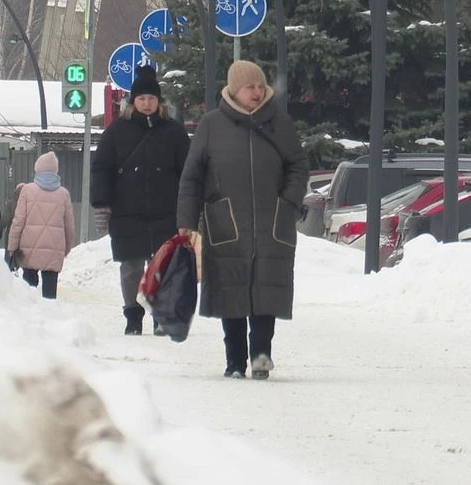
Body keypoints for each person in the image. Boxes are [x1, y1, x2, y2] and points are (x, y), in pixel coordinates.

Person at [177, 60, 309, 380]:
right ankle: (234, 359)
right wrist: (186, 221)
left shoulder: (280, 124)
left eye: (261, 86)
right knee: (231, 290)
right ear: (234, 90)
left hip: (271, 220)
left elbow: (298, 166)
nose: (257, 92)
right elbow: (192, 177)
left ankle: (261, 355)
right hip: (226, 221)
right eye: (250, 86)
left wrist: (288, 202)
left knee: (266, 289)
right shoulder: (212, 125)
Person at [90, 65, 191, 335]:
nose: (147, 103)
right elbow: (101, 168)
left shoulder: (174, 132)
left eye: (152, 98)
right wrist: (102, 202)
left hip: (165, 211)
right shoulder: (116, 132)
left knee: (163, 266)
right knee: (131, 267)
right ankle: (133, 315)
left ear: (159, 102)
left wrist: (190, 207)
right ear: (132, 101)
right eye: (142, 98)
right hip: (127, 211)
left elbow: (188, 172)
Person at [7, 152, 75, 300]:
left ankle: (30, 313)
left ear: (37, 169)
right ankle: (50, 313)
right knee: (50, 297)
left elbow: (18, 221)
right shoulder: (64, 194)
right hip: (54, 250)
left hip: (28, 250)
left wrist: (12, 246)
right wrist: (66, 248)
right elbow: (69, 226)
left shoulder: (27, 190)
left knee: (29, 294)